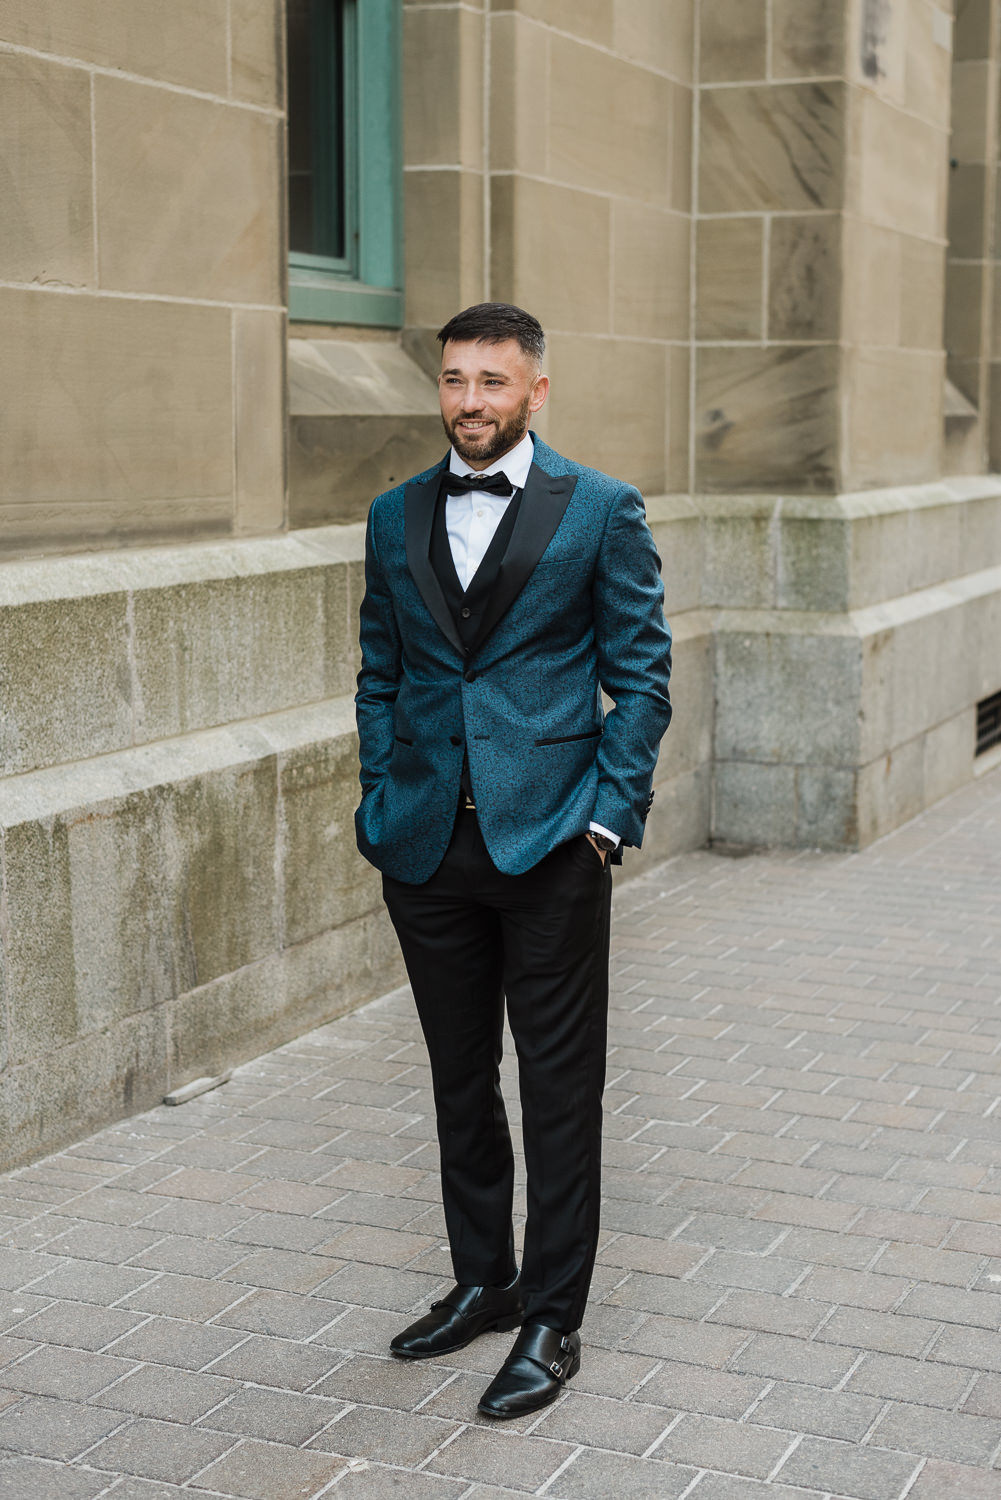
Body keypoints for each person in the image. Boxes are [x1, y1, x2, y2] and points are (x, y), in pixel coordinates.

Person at [354, 302, 672, 1419]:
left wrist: (605, 816)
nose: (470, 402)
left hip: (550, 844)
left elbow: (641, 676)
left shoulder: (597, 510)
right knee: (455, 1078)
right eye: (453, 381)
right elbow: (379, 670)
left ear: (535, 391)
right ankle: (481, 1279)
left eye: (492, 382)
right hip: (427, 844)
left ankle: (552, 1315)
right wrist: (378, 793)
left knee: (556, 1086)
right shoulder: (393, 515)